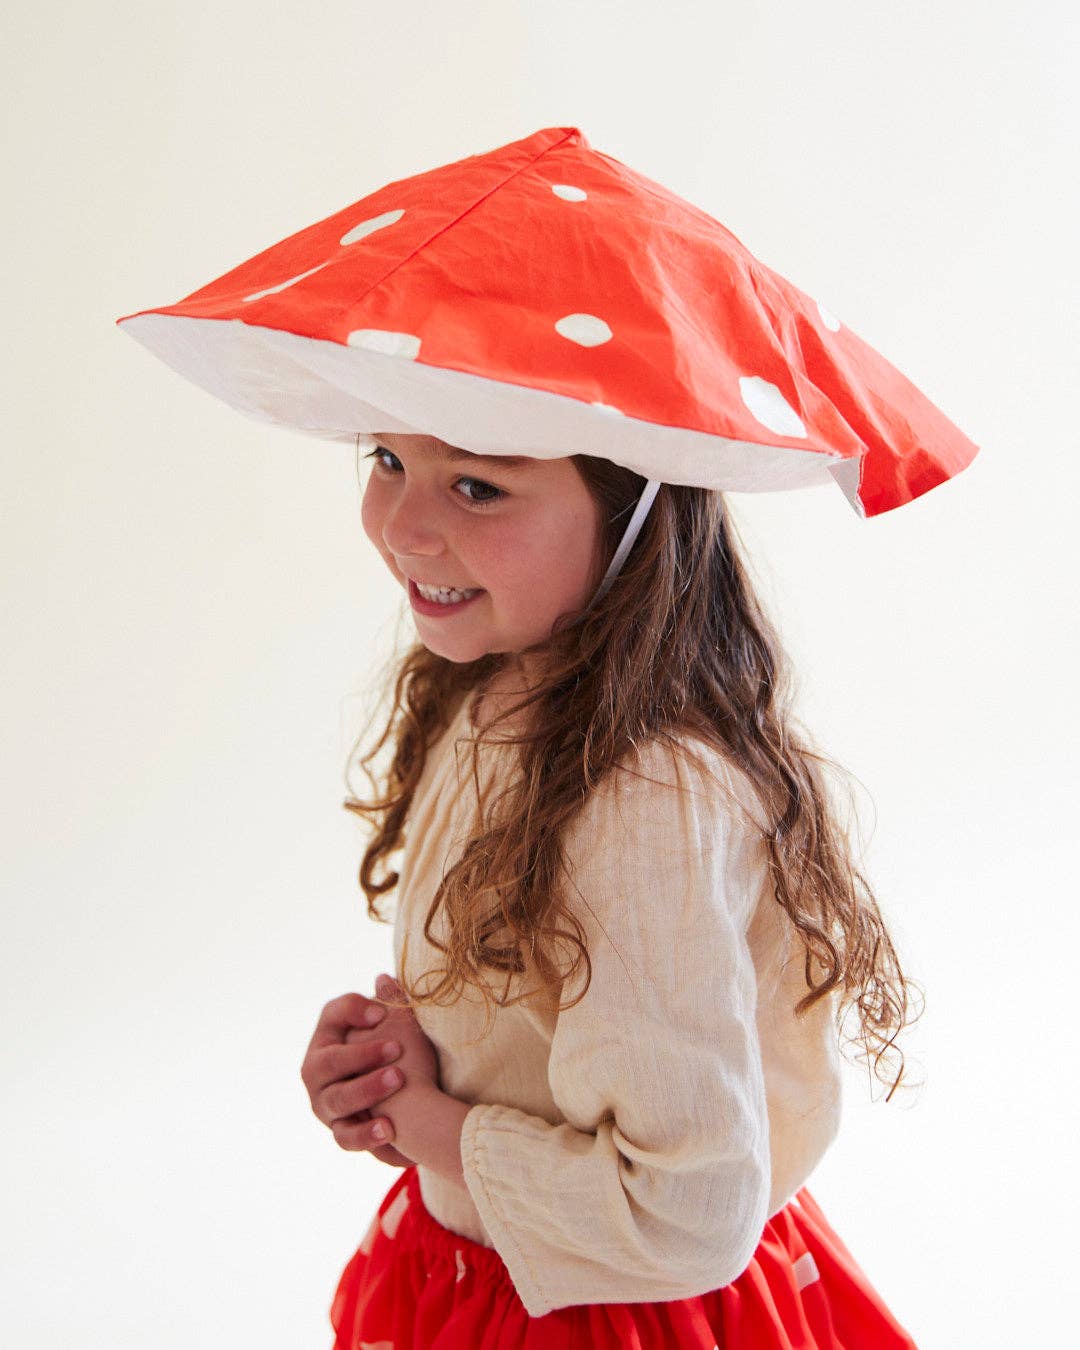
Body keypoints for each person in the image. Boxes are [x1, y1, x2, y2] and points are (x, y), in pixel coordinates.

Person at [299, 430, 923, 1348]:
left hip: (609, 1320)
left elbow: (685, 1214)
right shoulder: (500, 688)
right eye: (387, 461)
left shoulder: (643, 796)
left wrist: (422, 1122)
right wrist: (397, 1060)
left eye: (477, 485)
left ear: (636, 517)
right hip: (489, 1267)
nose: (404, 527)